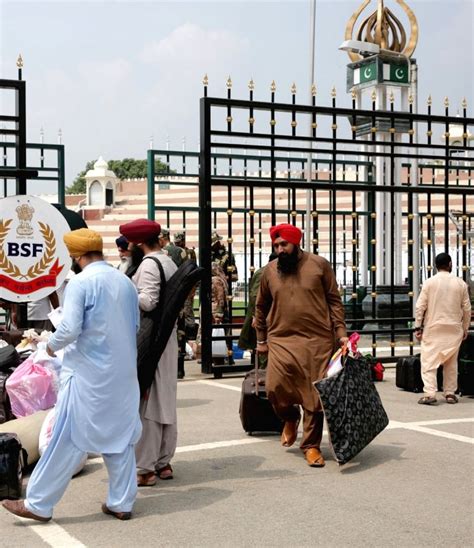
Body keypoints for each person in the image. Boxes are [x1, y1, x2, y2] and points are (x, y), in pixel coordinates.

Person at [2, 228, 141, 522]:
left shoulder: (81, 283)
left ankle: (38, 503)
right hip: (124, 375)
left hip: (88, 375)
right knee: (120, 437)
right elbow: (135, 326)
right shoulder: (125, 282)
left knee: (66, 436)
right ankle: (121, 502)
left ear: (76, 256)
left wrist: (49, 346)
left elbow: (69, 328)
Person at [255, 223, 348, 468]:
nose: (279, 249)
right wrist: (261, 339)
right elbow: (260, 307)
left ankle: (311, 445)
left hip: (317, 341)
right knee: (275, 388)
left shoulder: (319, 265)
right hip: (281, 339)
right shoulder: (269, 271)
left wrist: (341, 334)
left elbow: (334, 301)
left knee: (313, 397)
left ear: (296, 242)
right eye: (276, 246)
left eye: (283, 244)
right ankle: (289, 417)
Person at [120, 218, 178, 486]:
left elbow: (148, 301)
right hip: (166, 338)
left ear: (139, 243)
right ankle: (163, 461)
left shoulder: (149, 264)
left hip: (151, 340)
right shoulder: (167, 260)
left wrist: (125, 286)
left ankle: (145, 468)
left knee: (149, 402)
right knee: (164, 399)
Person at [414, 252, 471, 405]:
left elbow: (420, 307)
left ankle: (430, 393)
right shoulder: (460, 283)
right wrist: (465, 327)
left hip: (433, 327)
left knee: (428, 361)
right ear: (450, 264)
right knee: (451, 362)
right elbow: (467, 309)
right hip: (454, 328)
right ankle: (450, 393)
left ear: (435, 266)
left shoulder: (429, 283)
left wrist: (417, 326)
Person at [238, 253, 277, 356]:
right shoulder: (265, 273)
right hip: (263, 318)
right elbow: (256, 297)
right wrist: (258, 316)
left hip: (268, 318)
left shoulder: (268, 271)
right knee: (264, 353)